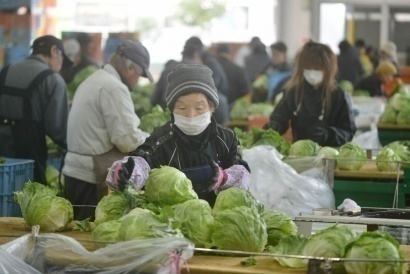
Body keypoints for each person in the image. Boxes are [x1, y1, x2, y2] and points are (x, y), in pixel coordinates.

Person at [107, 64, 250, 207]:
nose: (191, 115)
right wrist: (128, 172)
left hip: (215, 219)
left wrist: (224, 178)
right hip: (170, 222)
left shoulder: (227, 138)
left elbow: (241, 176)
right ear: (172, 109)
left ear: (212, 107)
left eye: (199, 108)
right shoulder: (161, 139)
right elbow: (142, 161)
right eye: (182, 108)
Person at [62, 40, 153, 220]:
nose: (137, 82)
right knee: (90, 235)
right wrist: (153, 141)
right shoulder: (114, 88)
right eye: (140, 75)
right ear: (132, 68)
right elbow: (127, 140)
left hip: (74, 173)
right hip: (89, 177)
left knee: (78, 233)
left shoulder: (94, 79)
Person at [0, 35, 72, 184]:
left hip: (2, 150)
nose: (61, 65)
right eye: (62, 58)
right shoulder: (53, 79)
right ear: (54, 51)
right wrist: (73, 145)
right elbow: (57, 129)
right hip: (28, 156)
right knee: (27, 200)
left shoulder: (5, 71)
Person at [263, 42, 356, 147]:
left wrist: (327, 135)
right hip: (299, 155)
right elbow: (280, 116)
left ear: (328, 69)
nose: (312, 73)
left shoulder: (339, 96)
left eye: (317, 69)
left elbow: (348, 132)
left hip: (330, 156)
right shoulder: (294, 92)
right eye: (308, 69)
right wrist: (274, 126)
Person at [151, 36, 230, 125]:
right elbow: (221, 99)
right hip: (198, 126)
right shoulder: (201, 72)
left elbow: (154, 100)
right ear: (196, 54)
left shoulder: (168, 69)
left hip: (168, 124)